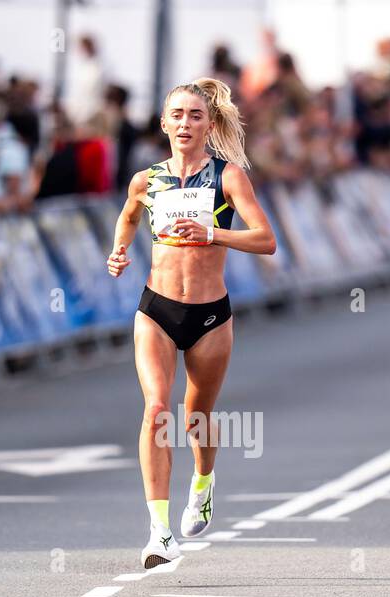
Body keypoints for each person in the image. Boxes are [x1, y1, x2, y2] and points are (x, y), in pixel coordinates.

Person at [107, 78, 276, 568]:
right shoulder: (146, 179)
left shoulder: (228, 178)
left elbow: (265, 240)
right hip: (156, 309)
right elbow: (128, 218)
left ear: (210, 124)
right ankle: (158, 532)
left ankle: (203, 481)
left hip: (209, 315)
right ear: (163, 123)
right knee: (157, 408)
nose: (185, 123)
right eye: (177, 115)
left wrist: (213, 233)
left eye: (195, 115)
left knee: (194, 416)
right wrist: (118, 253)